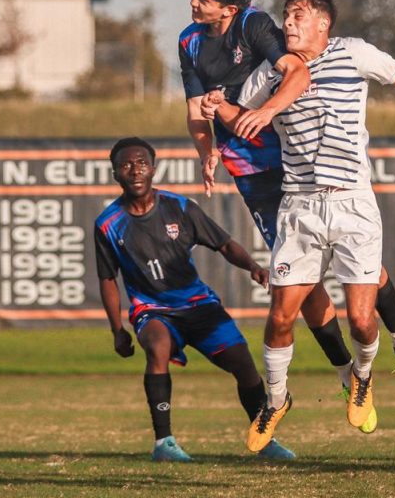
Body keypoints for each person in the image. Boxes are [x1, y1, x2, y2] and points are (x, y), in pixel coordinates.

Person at [179, 0, 395, 422]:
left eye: (298, 16)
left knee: (362, 315)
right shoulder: (253, 67)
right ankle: (284, 399)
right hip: (299, 202)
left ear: (323, 23)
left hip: (352, 199)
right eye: (287, 16)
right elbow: (234, 115)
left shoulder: (353, 51)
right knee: (284, 310)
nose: (288, 24)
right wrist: (219, 117)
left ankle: (383, 359)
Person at [94, 136, 295, 462]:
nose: (135, 170)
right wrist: (117, 329)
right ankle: (164, 443)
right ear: (115, 173)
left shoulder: (181, 207)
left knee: (243, 362)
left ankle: (266, 439)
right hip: (152, 308)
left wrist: (254, 267)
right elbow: (107, 278)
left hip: (198, 304)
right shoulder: (108, 224)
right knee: (157, 347)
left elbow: (225, 244)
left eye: (142, 163)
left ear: (153, 169)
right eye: (126, 165)